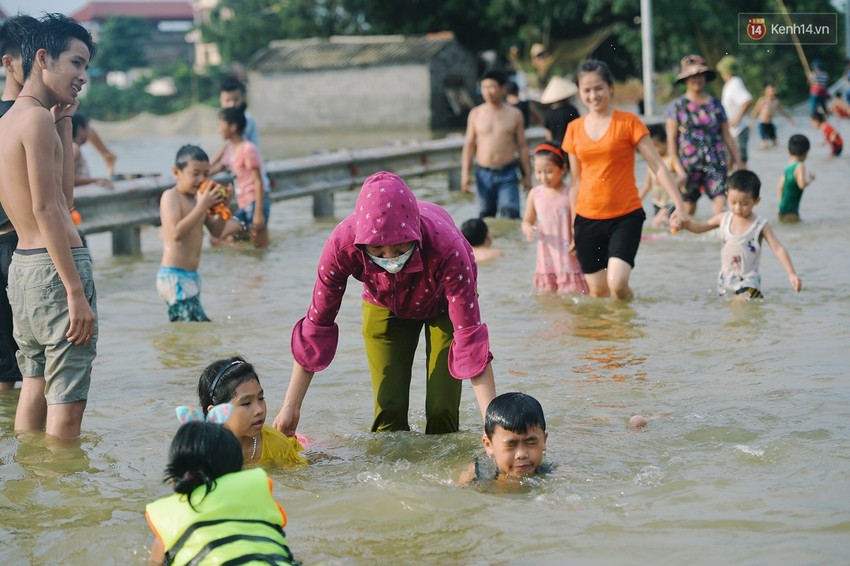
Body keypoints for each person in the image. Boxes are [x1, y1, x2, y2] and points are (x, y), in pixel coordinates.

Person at [273, 171, 497, 436]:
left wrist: (493, 427)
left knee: (442, 411)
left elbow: (469, 339)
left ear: (415, 235)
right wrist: (291, 406)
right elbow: (317, 326)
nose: (391, 260)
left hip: (443, 305)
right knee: (388, 412)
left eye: (400, 250)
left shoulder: (448, 246)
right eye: (378, 253)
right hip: (383, 302)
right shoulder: (341, 246)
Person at [0, 14, 97, 439]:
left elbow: (63, 199)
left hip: (22, 269)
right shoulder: (36, 121)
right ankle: (65, 496)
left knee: (34, 384)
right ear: (43, 58)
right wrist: (75, 291)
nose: (83, 76)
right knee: (67, 406)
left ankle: (35, 492)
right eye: (76, 63)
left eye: (86, 67)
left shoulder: (10, 122)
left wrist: (65, 119)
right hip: (55, 271)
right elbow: (47, 208)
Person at [563, 60, 688, 300]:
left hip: (625, 216)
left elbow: (658, 167)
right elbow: (575, 182)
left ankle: (630, 323)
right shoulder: (574, 129)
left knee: (617, 284)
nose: (593, 95)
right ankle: (615, 337)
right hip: (586, 219)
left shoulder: (629, 122)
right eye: (586, 90)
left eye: (598, 88)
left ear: (610, 88)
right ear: (579, 93)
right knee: (598, 292)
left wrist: (679, 207)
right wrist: (572, 227)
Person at [145, 411, 299, 565]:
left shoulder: (171, 520)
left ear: (175, 475)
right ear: (238, 469)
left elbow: (155, 562)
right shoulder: (254, 502)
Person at [680, 170, 802, 299]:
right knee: (731, 315)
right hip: (725, 278)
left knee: (742, 300)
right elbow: (700, 227)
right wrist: (686, 224)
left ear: (756, 201)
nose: (738, 208)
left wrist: (791, 273)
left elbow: (778, 248)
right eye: (733, 202)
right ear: (727, 196)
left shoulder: (760, 224)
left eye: (744, 204)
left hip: (749, 280)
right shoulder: (723, 218)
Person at [0, 14, 40, 393]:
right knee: (21, 361)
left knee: (26, 357)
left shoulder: (40, 116)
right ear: (7, 63)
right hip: (18, 243)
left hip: (19, 240)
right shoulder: (29, 119)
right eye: (25, 56)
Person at [157, 145, 229, 322]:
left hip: (191, 276)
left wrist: (223, 209)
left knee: (187, 331)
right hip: (174, 276)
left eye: (206, 174)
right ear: (177, 172)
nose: (201, 179)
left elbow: (217, 232)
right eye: (195, 173)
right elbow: (175, 233)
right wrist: (202, 206)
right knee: (199, 327)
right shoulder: (171, 197)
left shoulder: (199, 199)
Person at [666, 54, 742, 216]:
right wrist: (677, 168)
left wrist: (738, 161)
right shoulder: (677, 106)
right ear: (685, 79)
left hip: (715, 161)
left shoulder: (715, 103)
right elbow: (671, 141)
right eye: (693, 76)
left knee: (720, 201)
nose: (697, 79)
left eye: (700, 75)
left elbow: (727, 135)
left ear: (705, 77)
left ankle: (721, 236)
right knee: (688, 208)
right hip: (688, 165)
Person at [198, 356, 307, 467]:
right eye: (246, 403)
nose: (259, 410)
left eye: (261, 398)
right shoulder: (200, 451)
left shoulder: (277, 445)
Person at [461, 69, 532, 220]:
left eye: (492, 87)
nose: (488, 91)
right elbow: (469, 145)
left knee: (511, 216)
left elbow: (522, 146)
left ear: (503, 89)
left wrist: (528, 176)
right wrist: (465, 173)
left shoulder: (515, 114)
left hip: (508, 172)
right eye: (484, 87)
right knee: (485, 217)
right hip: (483, 173)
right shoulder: (475, 114)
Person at [521, 142, 588, 295]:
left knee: (573, 297)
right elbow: (527, 220)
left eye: (548, 171)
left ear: (563, 169)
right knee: (549, 303)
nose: (543, 177)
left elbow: (578, 222)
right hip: (546, 257)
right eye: (538, 172)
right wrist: (528, 229)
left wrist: (577, 240)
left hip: (568, 255)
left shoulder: (570, 192)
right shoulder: (535, 194)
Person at [211, 107, 269, 248]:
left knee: (260, 249)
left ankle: (255, 265)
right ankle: (243, 254)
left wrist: (258, 213)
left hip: (255, 203)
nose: (219, 129)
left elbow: (258, 181)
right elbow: (218, 167)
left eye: (221, 125)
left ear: (233, 127)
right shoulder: (231, 149)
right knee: (216, 238)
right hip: (243, 205)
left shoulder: (248, 149)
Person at [460, 392, 548, 483]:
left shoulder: (550, 472)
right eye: (511, 445)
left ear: (544, 441)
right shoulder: (478, 477)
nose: (521, 454)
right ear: (488, 445)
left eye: (531, 443)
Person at [638, 126, 686, 229]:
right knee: (663, 225)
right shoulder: (651, 163)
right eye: (651, 146)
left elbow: (683, 176)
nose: (654, 150)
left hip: (671, 201)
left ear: (665, 142)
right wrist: (636, 201)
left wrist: (674, 183)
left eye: (657, 146)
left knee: (658, 221)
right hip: (657, 202)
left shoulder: (672, 159)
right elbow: (647, 186)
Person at [717, 55, 753, 166]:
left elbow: (747, 100)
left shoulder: (734, 83)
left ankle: (745, 183)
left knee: (740, 159)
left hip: (738, 129)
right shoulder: (730, 84)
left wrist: (737, 118)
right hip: (732, 131)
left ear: (725, 71)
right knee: (730, 160)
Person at [778, 134, 815, 223]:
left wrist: (781, 206)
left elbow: (780, 187)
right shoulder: (800, 166)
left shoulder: (788, 167)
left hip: (782, 209)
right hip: (792, 211)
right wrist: (810, 180)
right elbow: (801, 185)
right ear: (807, 152)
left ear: (788, 151)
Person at [71, 112, 113, 188]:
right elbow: (70, 180)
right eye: (87, 129)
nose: (89, 133)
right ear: (80, 129)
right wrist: (97, 180)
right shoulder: (74, 149)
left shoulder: (72, 147)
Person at [750, 82, 796, 149]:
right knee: (764, 145)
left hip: (770, 124)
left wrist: (791, 119)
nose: (773, 92)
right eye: (772, 91)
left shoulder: (776, 101)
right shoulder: (762, 100)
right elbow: (754, 112)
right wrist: (751, 124)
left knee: (775, 143)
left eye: (774, 90)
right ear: (766, 91)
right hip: (762, 124)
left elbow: (782, 111)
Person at [539, 76, 581, 146]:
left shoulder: (549, 113)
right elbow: (578, 130)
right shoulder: (571, 111)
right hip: (570, 145)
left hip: (556, 146)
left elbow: (549, 134)